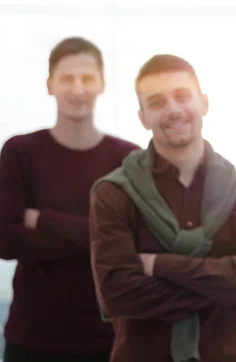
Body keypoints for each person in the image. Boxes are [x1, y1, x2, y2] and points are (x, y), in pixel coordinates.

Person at [89, 54, 236, 362]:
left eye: (182, 96)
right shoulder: (114, 192)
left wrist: (159, 266)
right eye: (157, 102)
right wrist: (223, 287)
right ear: (142, 117)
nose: (173, 110)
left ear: (203, 102)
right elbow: (116, 294)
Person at [0, 37, 139, 362]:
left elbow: (133, 245)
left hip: (110, 342)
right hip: (31, 342)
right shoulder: (19, 152)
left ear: (102, 84)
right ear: (50, 85)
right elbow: (5, 241)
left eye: (87, 78)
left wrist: (44, 221)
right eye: (67, 78)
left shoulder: (129, 159)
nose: (78, 88)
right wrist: (100, 236)